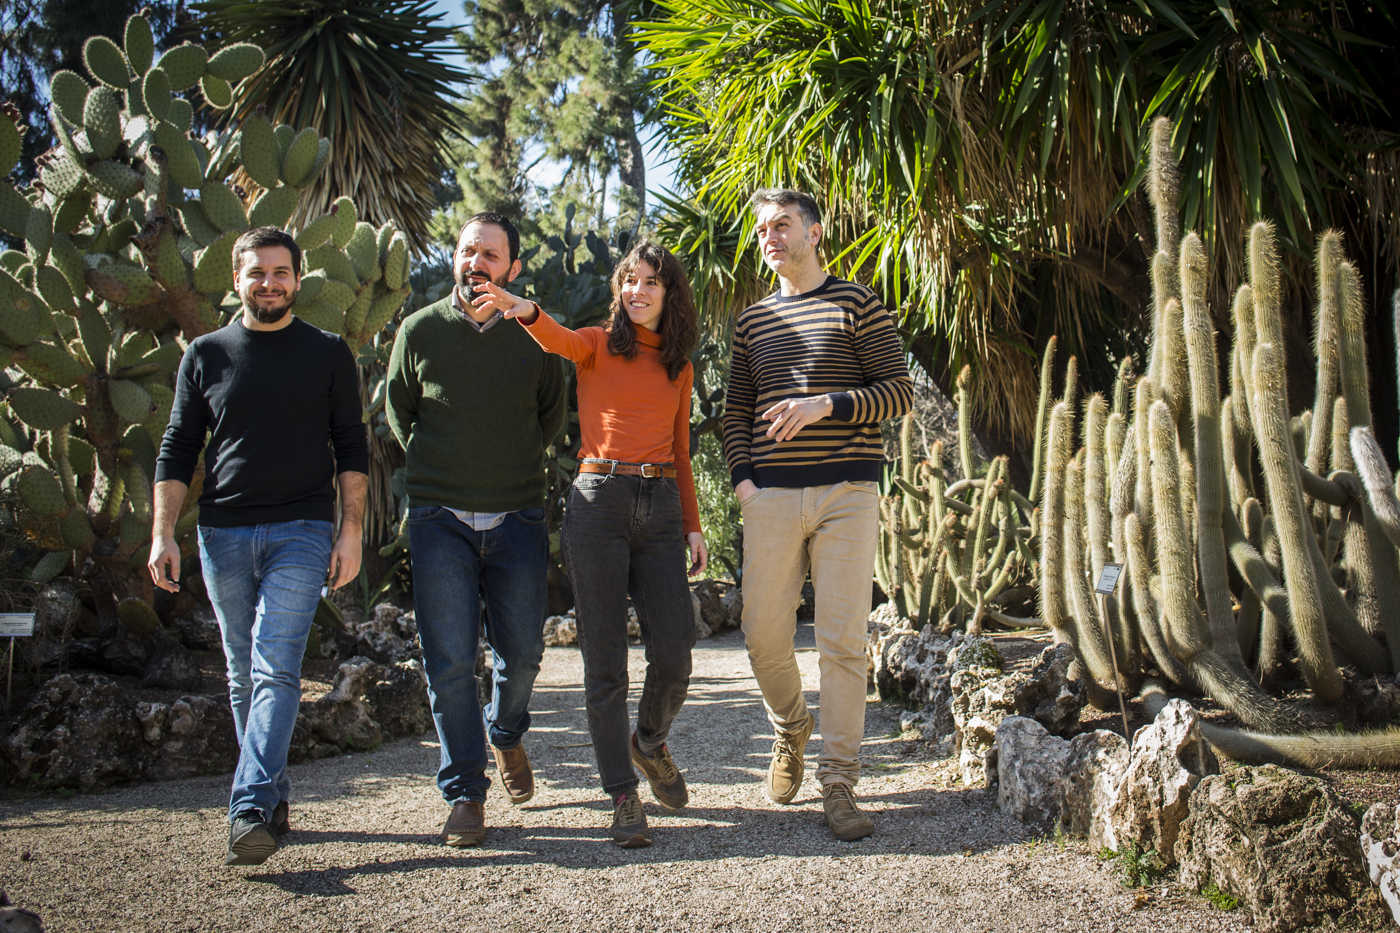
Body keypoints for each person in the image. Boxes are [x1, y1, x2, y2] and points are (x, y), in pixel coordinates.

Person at [473, 241, 706, 848]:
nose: (638, 291)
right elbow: (555, 338)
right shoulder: (596, 344)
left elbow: (681, 451)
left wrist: (693, 523)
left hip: (658, 508)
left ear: (669, 293)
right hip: (596, 503)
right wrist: (524, 309)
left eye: (651, 282)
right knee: (604, 665)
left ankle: (649, 742)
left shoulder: (679, 365)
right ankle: (623, 794)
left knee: (676, 651)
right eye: (630, 280)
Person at [149, 226, 369, 866]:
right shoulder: (206, 354)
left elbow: (351, 447)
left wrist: (349, 530)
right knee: (242, 673)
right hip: (221, 533)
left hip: (301, 530)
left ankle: (247, 807)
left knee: (276, 668)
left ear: (298, 279)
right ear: (236, 280)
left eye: (280, 272)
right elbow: (177, 448)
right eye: (256, 273)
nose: (268, 283)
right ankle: (271, 796)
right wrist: (164, 530)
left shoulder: (328, 352)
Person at [722, 189, 913, 841]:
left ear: (814, 231)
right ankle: (789, 726)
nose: (769, 236)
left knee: (840, 640)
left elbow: (899, 393)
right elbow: (735, 415)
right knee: (761, 635)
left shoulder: (856, 303)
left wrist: (826, 404)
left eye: (782, 224)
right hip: (770, 495)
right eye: (761, 228)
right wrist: (745, 483)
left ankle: (839, 782)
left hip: (847, 492)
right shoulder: (751, 323)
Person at [386, 213, 566, 847]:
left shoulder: (535, 339)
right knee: (450, 662)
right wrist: (443, 474)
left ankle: (507, 734)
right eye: (468, 250)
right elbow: (400, 411)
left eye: (490, 254)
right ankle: (464, 792)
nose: (476, 263)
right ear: (455, 258)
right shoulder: (419, 331)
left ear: (512, 267)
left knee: (523, 656)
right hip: (439, 519)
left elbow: (551, 419)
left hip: (516, 514)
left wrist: (502, 467)